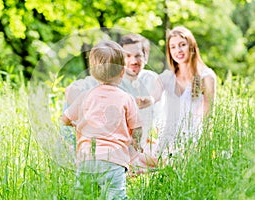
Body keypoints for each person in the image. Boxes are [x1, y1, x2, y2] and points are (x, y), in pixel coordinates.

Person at [64, 34, 163, 172]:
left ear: (145, 57)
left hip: (133, 146)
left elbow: (160, 91)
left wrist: (150, 100)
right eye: (127, 56)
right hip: (108, 143)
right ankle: (72, 155)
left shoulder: (150, 78)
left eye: (138, 56)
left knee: (159, 158)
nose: (133, 61)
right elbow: (70, 90)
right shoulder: (107, 76)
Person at [61, 40, 143, 199]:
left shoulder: (85, 96)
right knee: (115, 196)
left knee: (84, 196)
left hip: (86, 159)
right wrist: (136, 142)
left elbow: (64, 119)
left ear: (92, 73)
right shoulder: (127, 98)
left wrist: (75, 123)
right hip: (114, 160)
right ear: (122, 73)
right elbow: (137, 128)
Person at [151, 26, 217, 160]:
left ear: (191, 46)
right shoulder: (166, 77)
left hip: (192, 142)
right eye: (173, 47)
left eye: (182, 45)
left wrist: (203, 146)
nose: (178, 50)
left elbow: (209, 116)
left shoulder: (206, 76)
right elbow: (152, 99)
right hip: (166, 142)